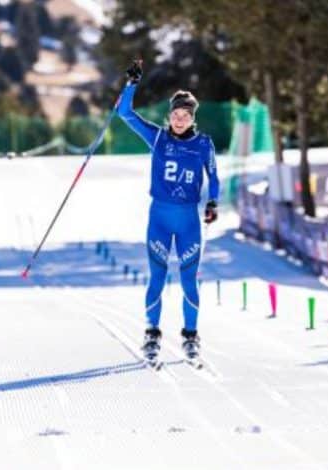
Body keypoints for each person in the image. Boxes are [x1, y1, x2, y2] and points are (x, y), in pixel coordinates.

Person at [116, 60, 219, 365]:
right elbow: (124, 114)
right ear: (169, 115)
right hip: (159, 217)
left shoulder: (203, 144)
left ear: (192, 118)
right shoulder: (158, 138)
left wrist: (212, 203)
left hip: (188, 219)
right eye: (175, 114)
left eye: (185, 116)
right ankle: (151, 334)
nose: (179, 120)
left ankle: (190, 335)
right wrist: (132, 84)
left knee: (189, 280)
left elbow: (213, 176)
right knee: (157, 277)